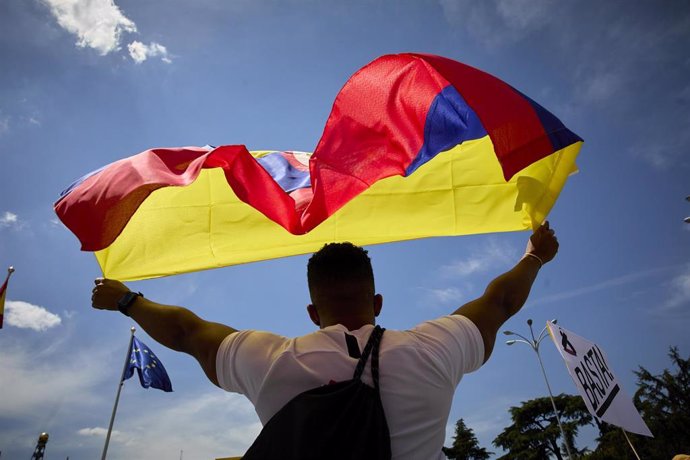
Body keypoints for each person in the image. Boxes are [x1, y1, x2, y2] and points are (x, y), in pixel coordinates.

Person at [91, 222, 559, 459]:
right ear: (377, 302)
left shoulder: (271, 360)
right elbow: (499, 303)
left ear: (313, 313)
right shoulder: (432, 350)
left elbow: (187, 332)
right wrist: (535, 256)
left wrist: (127, 300)